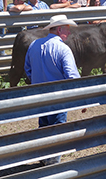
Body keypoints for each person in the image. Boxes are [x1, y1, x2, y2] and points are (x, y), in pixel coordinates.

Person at [24, 14, 80, 165]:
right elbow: (72, 77)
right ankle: (53, 166)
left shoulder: (34, 45)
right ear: (60, 29)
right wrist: (81, 96)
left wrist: (37, 81)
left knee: (43, 127)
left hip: (39, 97)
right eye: (67, 29)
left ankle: (44, 161)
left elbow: (28, 70)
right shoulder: (63, 49)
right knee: (58, 130)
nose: (69, 33)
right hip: (58, 98)